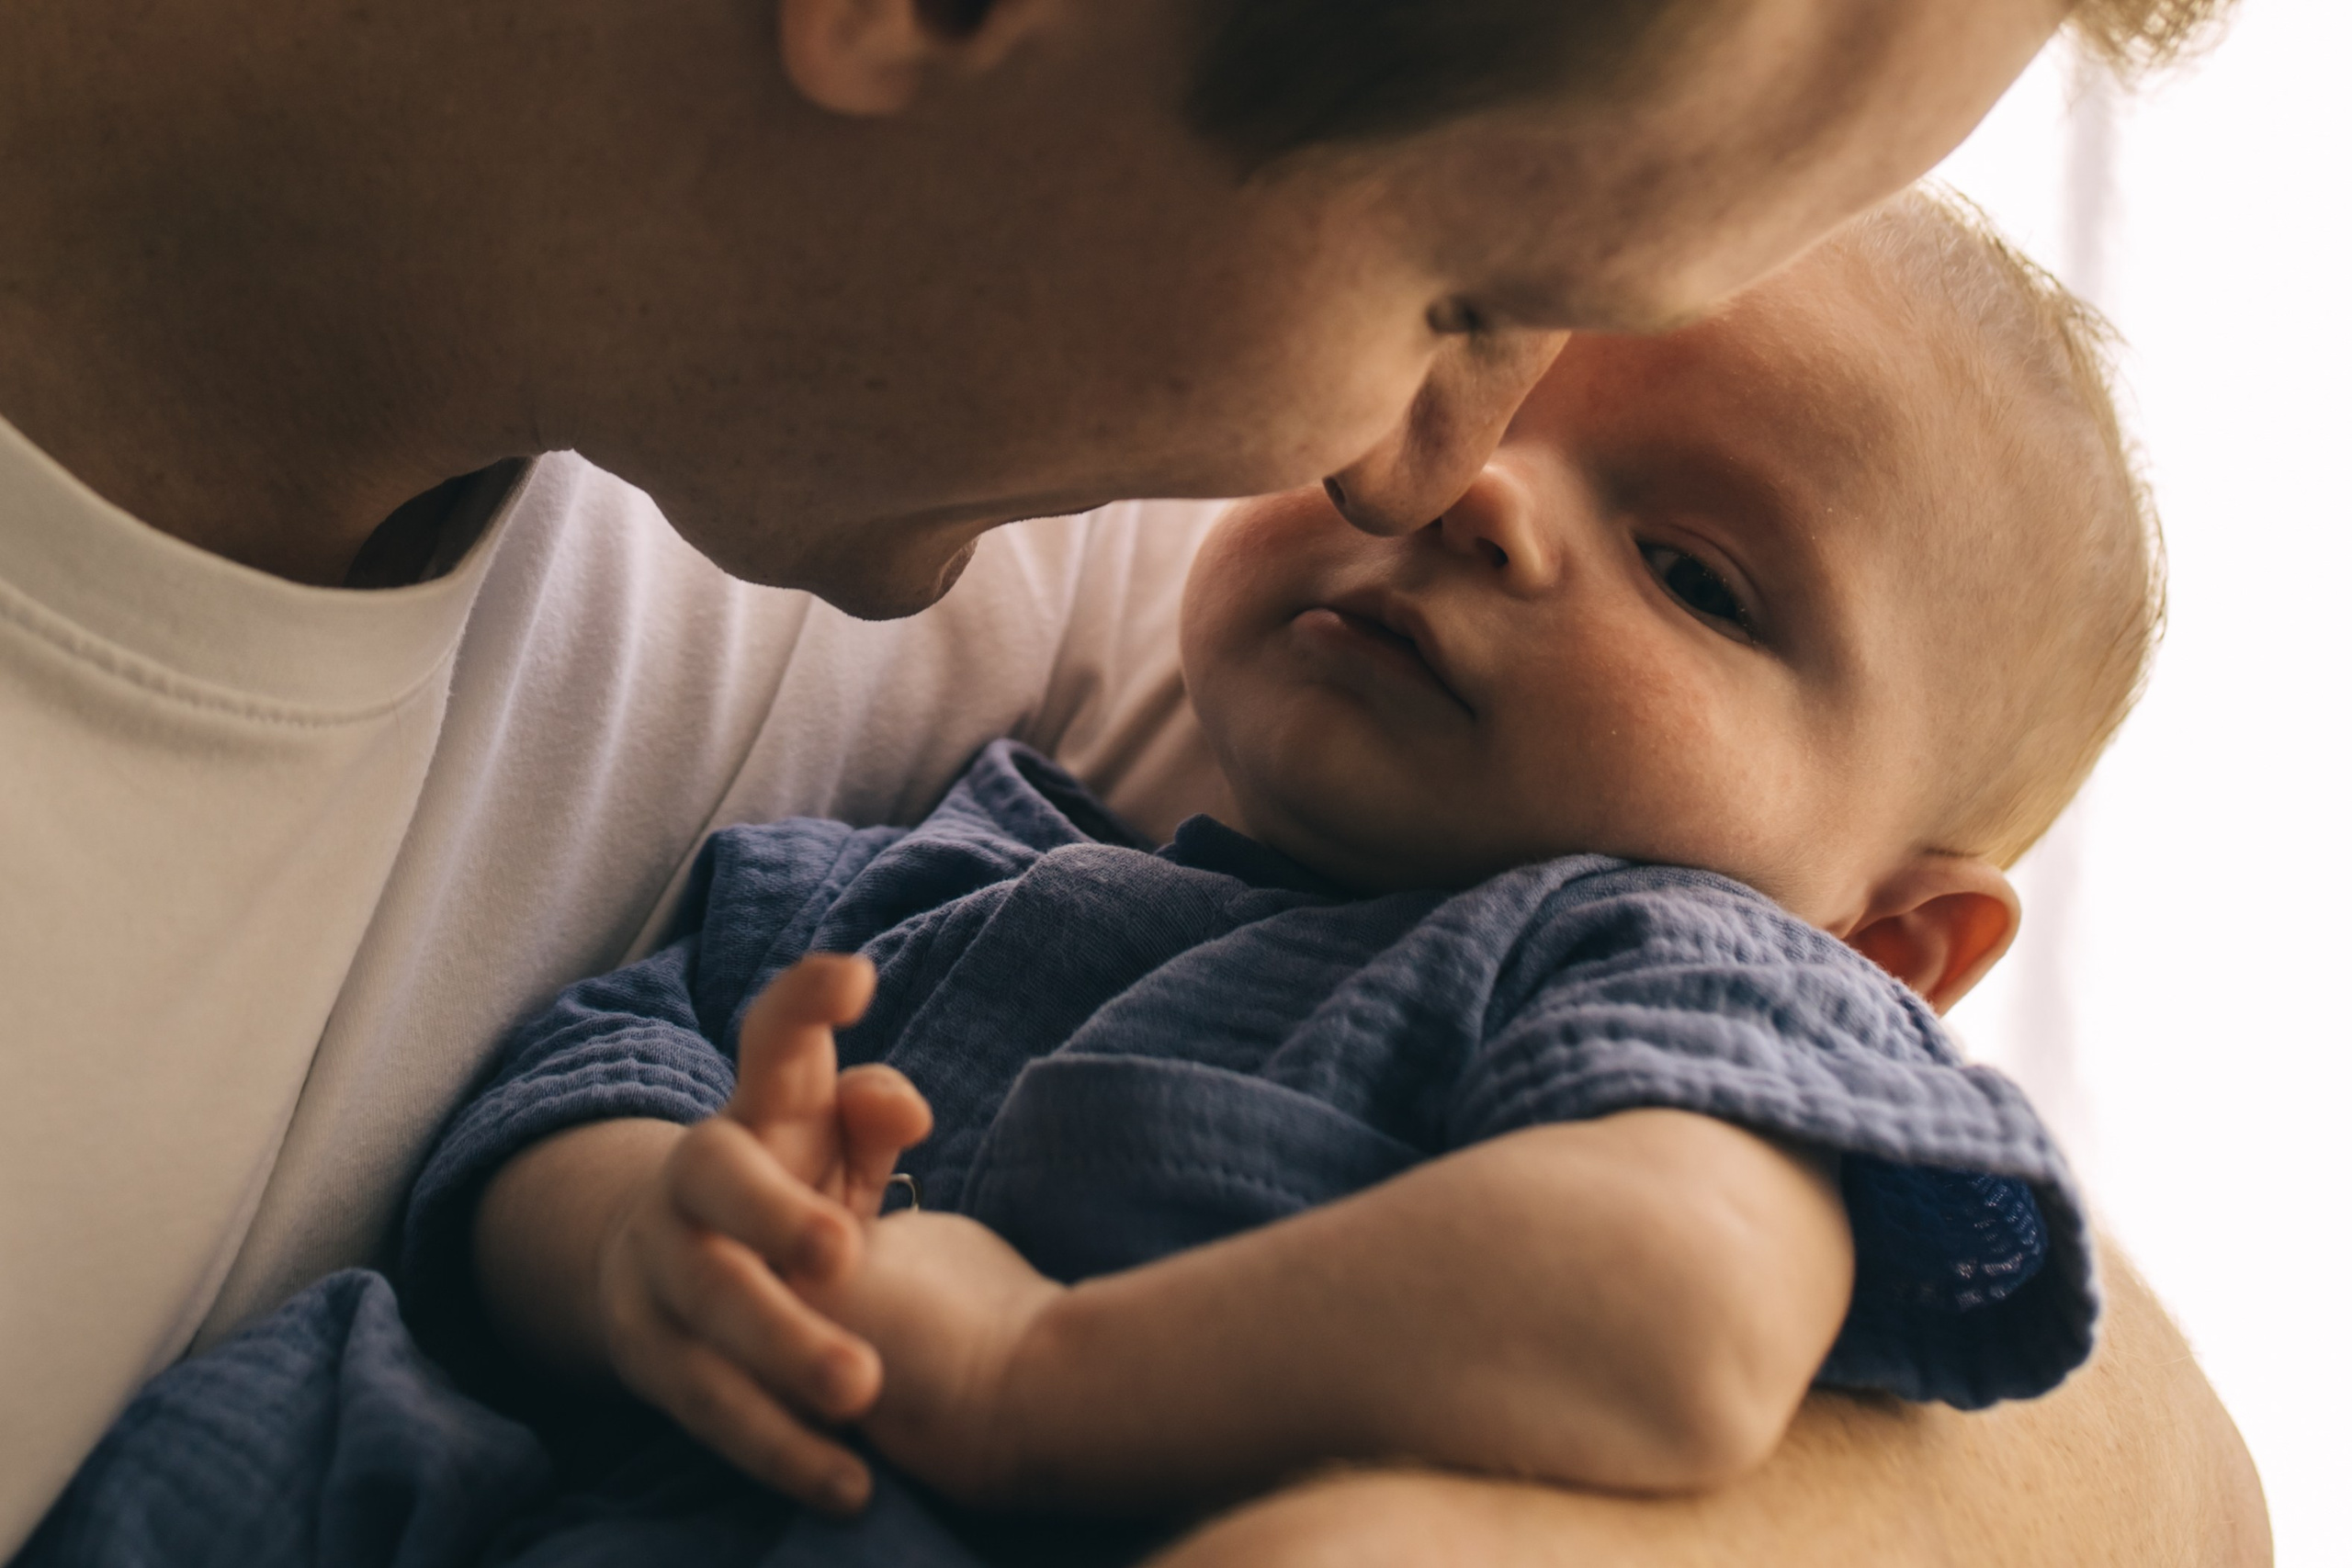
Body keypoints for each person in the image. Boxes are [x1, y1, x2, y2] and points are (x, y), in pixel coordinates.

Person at [0, 0, 2263, 1563]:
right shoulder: (1045, 671)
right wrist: (650, 1239)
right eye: (1468, 295)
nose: (1426, 474)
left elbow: (2142, 1465)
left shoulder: (1005, 487)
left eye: (1692, 571)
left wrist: (1137, 1425)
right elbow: (582, 1117)